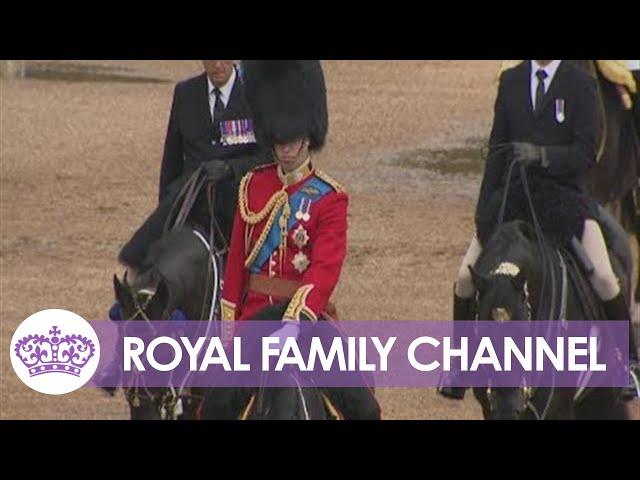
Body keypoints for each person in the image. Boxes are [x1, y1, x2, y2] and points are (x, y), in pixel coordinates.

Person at [439, 60, 638, 400]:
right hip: (513, 198)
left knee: (605, 278)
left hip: (564, 201)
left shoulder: (580, 84)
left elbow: (586, 153)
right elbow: (495, 153)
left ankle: (627, 365)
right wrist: (485, 213)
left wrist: (544, 156)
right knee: (464, 278)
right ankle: (461, 364)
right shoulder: (511, 80)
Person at [205, 60, 381, 420]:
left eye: (293, 140)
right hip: (255, 322)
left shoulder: (330, 198)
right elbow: (237, 266)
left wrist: (295, 320)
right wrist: (228, 333)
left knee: (364, 409)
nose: (285, 149)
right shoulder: (252, 185)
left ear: (309, 136)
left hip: (307, 322)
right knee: (213, 408)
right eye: (279, 141)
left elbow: (325, 269)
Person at [118, 60, 270, 276]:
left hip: (236, 193)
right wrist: (166, 206)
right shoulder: (185, 93)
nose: (217, 66)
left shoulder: (256, 94)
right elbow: (172, 156)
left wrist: (230, 167)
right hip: (190, 192)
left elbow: (268, 156)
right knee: (142, 252)